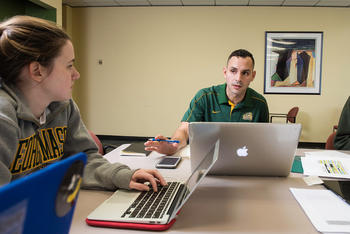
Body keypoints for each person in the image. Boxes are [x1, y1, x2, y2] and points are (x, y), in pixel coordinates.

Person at [0, 15, 166, 192]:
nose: (76, 74)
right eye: (69, 65)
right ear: (37, 71)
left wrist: (121, 175)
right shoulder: (4, 119)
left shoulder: (63, 106)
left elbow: (83, 159)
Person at [145, 49, 269, 155]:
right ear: (225, 72)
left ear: (253, 76)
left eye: (245, 73)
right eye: (233, 71)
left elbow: (263, 142)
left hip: (245, 160)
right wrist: (173, 145)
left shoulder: (260, 103)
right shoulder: (204, 97)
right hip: (208, 159)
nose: (238, 78)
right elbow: (184, 130)